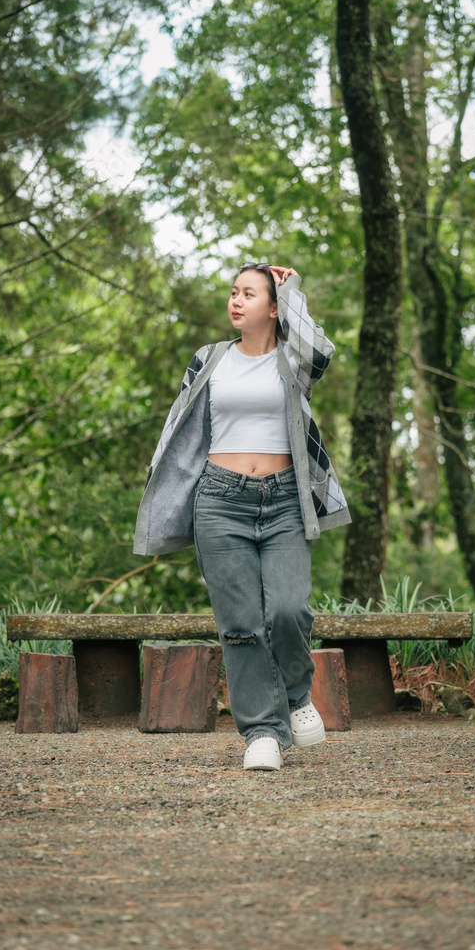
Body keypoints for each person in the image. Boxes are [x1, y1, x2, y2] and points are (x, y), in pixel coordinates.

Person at [134, 263, 350, 770]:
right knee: (240, 626)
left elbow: (320, 351)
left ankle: (296, 696)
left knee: (289, 611)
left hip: (285, 501)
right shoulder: (208, 359)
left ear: (273, 309)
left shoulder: (293, 360)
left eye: (249, 294)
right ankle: (262, 733)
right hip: (219, 500)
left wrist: (292, 289)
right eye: (234, 292)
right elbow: (177, 427)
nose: (235, 300)